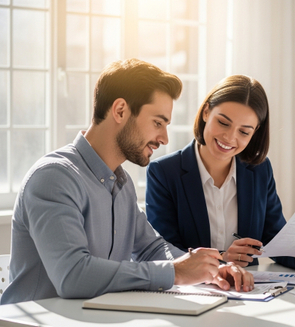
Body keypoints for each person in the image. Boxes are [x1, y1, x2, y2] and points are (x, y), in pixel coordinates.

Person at [1, 59, 253, 305]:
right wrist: (176, 272)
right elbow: (73, 275)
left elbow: (150, 248)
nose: (164, 138)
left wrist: (211, 269)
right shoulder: (54, 177)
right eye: (158, 123)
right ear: (120, 110)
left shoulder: (121, 183)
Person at [146, 75, 295, 270]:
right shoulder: (164, 172)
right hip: (192, 292)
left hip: (249, 290)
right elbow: (163, 251)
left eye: (244, 132)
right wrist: (223, 258)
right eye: (223, 123)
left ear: (255, 132)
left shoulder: (259, 170)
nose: (230, 137)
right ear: (206, 112)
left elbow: (275, 238)